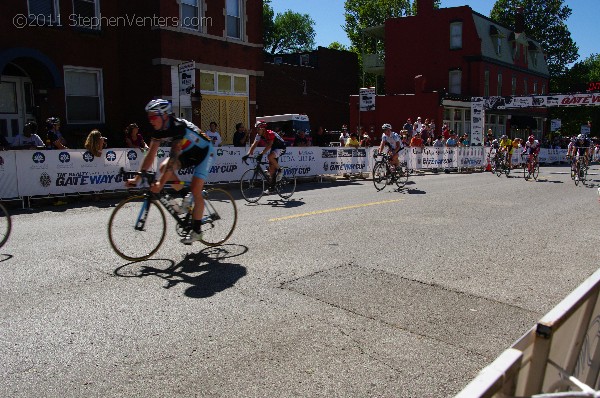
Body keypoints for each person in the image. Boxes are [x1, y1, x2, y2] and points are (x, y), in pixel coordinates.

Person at [126, 99, 214, 245]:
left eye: (153, 117)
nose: (151, 121)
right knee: (162, 168)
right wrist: (137, 177)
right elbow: (151, 154)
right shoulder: (158, 130)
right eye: (149, 117)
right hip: (189, 152)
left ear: (164, 115)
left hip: (205, 152)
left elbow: (173, 156)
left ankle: (197, 231)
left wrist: (160, 183)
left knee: (195, 189)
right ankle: (185, 195)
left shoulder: (177, 127)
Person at [243, 121, 287, 194]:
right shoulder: (258, 135)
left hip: (281, 147)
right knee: (271, 171)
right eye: (256, 128)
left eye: (258, 129)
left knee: (270, 157)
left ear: (263, 129)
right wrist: (248, 154)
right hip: (274, 148)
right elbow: (254, 144)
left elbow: (269, 145)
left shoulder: (270, 133)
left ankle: (280, 169)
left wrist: (261, 154)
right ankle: (272, 188)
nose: (257, 130)